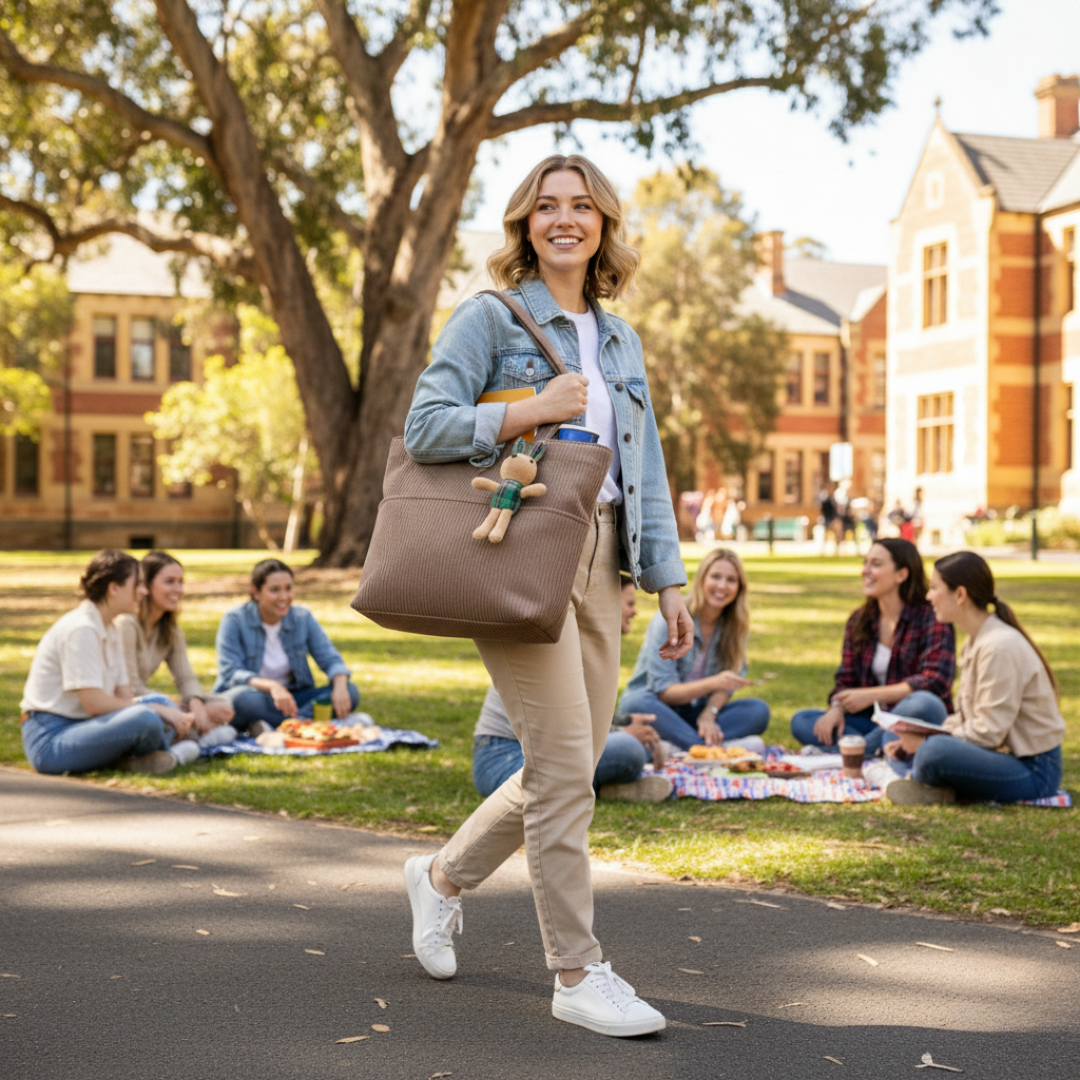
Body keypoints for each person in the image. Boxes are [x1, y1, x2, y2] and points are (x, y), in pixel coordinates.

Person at [400, 154, 693, 1037]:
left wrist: (669, 577)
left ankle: (442, 877)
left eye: (582, 206)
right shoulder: (490, 318)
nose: (564, 219)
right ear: (525, 223)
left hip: (605, 558)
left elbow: (645, 465)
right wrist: (532, 403)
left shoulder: (620, 338)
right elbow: (425, 427)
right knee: (569, 770)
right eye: (546, 206)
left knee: (562, 767)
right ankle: (577, 971)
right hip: (516, 548)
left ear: (603, 223)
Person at [880, 551, 1064, 805]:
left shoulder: (999, 646)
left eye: (934, 588)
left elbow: (988, 733)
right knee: (901, 738)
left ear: (960, 594)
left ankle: (924, 779)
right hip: (1000, 757)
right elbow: (970, 721)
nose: (928, 595)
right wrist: (916, 738)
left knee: (935, 751)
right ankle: (929, 780)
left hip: (1033, 771)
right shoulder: (977, 641)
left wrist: (926, 742)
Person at [472, 579, 673, 804]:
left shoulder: (587, 645)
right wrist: (624, 734)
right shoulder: (560, 643)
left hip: (545, 753)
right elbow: (562, 727)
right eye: (629, 603)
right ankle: (601, 787)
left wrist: (624, 723)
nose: (635, 612)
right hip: (503, 759)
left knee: (636, 745)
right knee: (629, 749)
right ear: (605, 605)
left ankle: (602, 789)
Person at [20, 549, 201, 775]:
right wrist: (155, 708)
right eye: (138, 585)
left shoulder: (111, 628)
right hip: (51, 739)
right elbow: (95, 705)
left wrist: (164, 707)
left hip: (86, 727)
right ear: (114, 588)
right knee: (147, 716)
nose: (144, 592)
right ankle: (174, 753)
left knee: (157, 707)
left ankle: (134, 759)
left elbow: (125, 695)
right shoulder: (82, 629)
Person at [790, 538, 956, 757]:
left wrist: (870, 695)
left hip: (916, 723)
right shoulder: (859, 620)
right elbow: (845, 680)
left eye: (876, 564)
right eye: (865, 563)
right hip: (873, 723)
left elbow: (934, 681)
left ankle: (852, 753)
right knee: (803, 720)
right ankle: (876, 749)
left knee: (924, 702)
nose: (865, 571)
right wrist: (836, 709)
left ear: (901, 575)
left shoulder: (932, 617)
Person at [618, 548, 770, 751]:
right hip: (659, 706)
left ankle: (679, 744)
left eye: (731, 580)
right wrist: (715, 682)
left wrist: (710, 713)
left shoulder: (735, 625)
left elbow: (727, 685)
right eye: (715, 576)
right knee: (635, 703)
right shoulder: (673, 616)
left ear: (739, 587)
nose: (722, 586)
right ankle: (710, 747)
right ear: (702, 579)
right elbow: (664, 692)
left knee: (757, 711)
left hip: (696, 711)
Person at [212, 558, 359, 732]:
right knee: (240, 701)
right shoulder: (234, 620)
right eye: (274, 590)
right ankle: (307, 724)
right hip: (255, 697)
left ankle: (282, 726)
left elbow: (330, 659)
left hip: (293, 699)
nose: (284, 597)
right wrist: (273, 687)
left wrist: (340, 688)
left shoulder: (302, 618)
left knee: (351, 691)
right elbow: (232, 673)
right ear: (256, 592)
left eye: (288, 588)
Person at [116, 551, 238, 750]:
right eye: (169, 582)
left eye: (181, 582)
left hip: (154, 701)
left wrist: (196, 705)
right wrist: (178, 707)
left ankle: (190, 735)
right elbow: (131, 688)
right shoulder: (127, 624)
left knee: (223, 704)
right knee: (160, 716)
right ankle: (192, 738)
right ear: (146, 585)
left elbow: (186, 678)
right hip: (130, 704)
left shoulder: (170, 629)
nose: (178, 589)